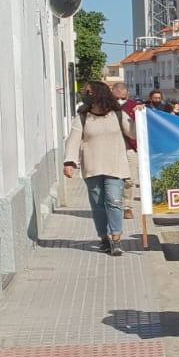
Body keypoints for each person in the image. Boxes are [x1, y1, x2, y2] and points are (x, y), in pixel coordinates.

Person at [63, 81, 137, 256]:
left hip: (116, 164)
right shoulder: (82, 117)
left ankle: (116, 239)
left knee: (114, 201)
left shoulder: (118, 114)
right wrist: (69, 162)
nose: (86, 94)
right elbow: (73, 140)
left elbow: (133, 133)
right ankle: (104, 237)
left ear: (100, 93)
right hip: (92, 165)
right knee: (98, 205)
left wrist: (138, 118)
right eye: (85, 91)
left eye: (89, 91)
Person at [113, 82, 140, 221]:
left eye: (122, 97)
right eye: (116, 98)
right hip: (111, 149)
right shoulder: (107, 108)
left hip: (130, 148)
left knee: (130, 179)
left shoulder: (134, 107)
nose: (119, 101)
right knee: (112, 180)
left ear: (127, 95)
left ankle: (128, 207)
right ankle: (113, 206)